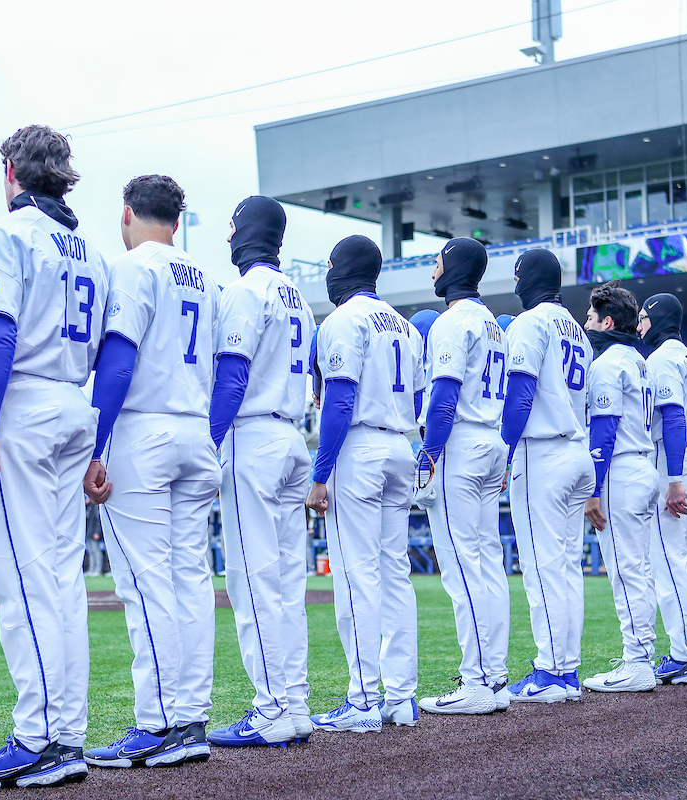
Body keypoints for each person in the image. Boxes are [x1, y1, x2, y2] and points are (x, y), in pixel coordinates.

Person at [0, 125, 108, 789]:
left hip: (26, 406)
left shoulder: (6, 232)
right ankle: (65, 735)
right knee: (63, 583)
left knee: (23, 582)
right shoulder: (93, 251)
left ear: (11, 170)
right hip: (74, 402)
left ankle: (39, 738)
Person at [80, 175, 219, 767]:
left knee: (146, 582)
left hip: (144, 429)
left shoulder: (131, 267)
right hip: (195, 429)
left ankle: (158, 722)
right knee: (191, 579)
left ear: (128, 213)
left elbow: (118, 360)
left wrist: (94, 444)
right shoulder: (206, 275)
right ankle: (190, 718)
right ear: (178, 221)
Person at [206, 196, 314, 747]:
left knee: (252, 580)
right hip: (291, 434)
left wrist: (208, 442)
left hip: (253, 435)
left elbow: (231, 376)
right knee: (287, 582)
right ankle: (295, 703)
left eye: (231, 226)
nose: (227, 237)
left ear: (246, 230)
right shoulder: (299, 297)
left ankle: (272, 708)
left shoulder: (246, 290)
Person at [304, 235, 423, 731]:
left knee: (358, 574)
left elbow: (339, 401)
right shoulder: (405, 326)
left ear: (343, 268)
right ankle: (401, 697)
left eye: (331, 264)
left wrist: (320, 474)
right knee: (395, 573)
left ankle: (363, 700)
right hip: (400, 446)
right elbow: (419, 400)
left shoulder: (343, 319)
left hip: (360, 448)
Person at [413, 238, 510, 717]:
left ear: (452, 268)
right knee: (489, 563)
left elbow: (445, 395)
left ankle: (477, 681)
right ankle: (495, 676)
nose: (433, 272)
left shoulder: (452, 321)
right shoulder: (492, 323)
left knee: (462, 567)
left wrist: (428, 455)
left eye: (436, 263)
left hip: (461, 444)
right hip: (492, 440)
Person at [499, 250, 593, 702]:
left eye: (518, 277)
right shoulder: (577, 328)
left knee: (542, 567)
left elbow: (521, 394)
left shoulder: (530, 322)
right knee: (567, 567)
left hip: (543, 452)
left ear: (530, 279)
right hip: (576, 449)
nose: (515, 285)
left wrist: (502, 453)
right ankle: (566, 668)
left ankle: (552, 671)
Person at [582, 284, 660, 692]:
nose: (586, 324)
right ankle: (642, 655)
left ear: (607, 322)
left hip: (621, 471)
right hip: (642, 465)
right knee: (639, 569)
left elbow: (604, 428)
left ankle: (638, 661)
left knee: (627, 571)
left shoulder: (608, 363)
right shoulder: (638, 361)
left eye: (591, 318)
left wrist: (593, 489)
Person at [636, 294, 687, 685]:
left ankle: (684, 655)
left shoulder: (663, 357)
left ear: (658, 318)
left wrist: (674, 478)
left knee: (667, 563)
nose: (639, 325)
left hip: (673, 460)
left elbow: (672, 416)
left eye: (643, 318)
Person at [83, 498, 103, 577]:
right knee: (91, 552)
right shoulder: (87, 507)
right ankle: (91, 569)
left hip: (93, 533)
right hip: (88, 533)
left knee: (96, 551)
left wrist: (97, 532)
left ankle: (98, 570)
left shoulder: (94, 506)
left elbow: (98, 520)